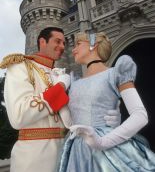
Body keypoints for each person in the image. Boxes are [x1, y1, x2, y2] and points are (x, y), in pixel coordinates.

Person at [0, 27, 120, 172]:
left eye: (64, 43)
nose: (63, 47)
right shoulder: (21, 66)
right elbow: (19, 116)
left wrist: (106, 119)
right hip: (35, 159)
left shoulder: (60, 74)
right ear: (42, 42)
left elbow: (74, 118)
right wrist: (60, 87)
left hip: (68, 155)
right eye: (57, 41)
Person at [58, 31, 155, 172]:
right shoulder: (74, 82)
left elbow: (140, 115)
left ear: (93, 44)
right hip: (77, 153)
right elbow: (70, 123)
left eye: (78, 44)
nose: (73, 49)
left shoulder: (116, 73)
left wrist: (103, 141)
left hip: (108, 149)